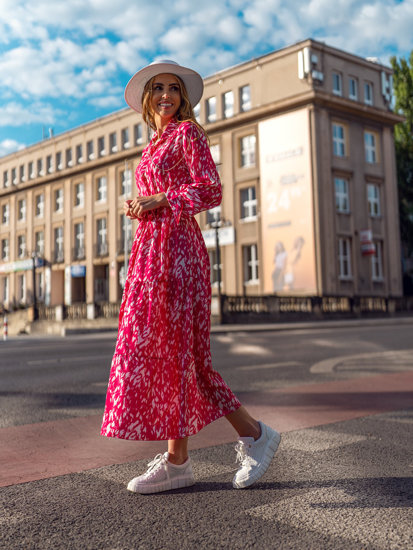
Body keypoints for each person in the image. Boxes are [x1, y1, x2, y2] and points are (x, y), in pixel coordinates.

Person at [101, 59, 281, 494]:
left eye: (174, 89)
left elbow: (211, 188)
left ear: (183, 99)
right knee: (165, 354)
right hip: (151, 254)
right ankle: (181, 460)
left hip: (178, 254)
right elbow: (164, 196)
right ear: (148, 98)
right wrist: (143, 205)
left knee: (183, 354)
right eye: (158, 88)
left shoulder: (188, 133)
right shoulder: (152, 144)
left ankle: (252, 437)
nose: (166, 95)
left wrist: (159, 199)